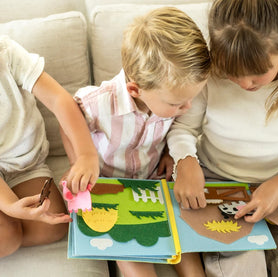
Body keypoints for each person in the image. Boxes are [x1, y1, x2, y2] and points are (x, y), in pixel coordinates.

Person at [167, 0, 278, 276]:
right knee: (241, 262)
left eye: (258, 73)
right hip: (217, 182)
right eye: (232, 72)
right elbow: (183, 129)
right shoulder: (209, 75)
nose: (245, 83)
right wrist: (186, 162)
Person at [61, 7, 211, 277]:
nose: (187, 108)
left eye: (190, 99)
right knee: (135, 262)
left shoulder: (169, 99)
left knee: (187, 256)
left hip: (152, 185)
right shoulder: (98, 103)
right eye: (178, 103)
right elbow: (67, 123)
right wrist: (78, 162)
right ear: (135, 90)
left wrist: (168, 154)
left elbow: (175, 130)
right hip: (109, 190)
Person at [0, 35, 99, 258]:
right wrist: (8, 207)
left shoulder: (6, 51)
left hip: (25, 164)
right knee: (8, 236)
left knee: (53, 226)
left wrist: (85, 154)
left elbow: (58, 99)